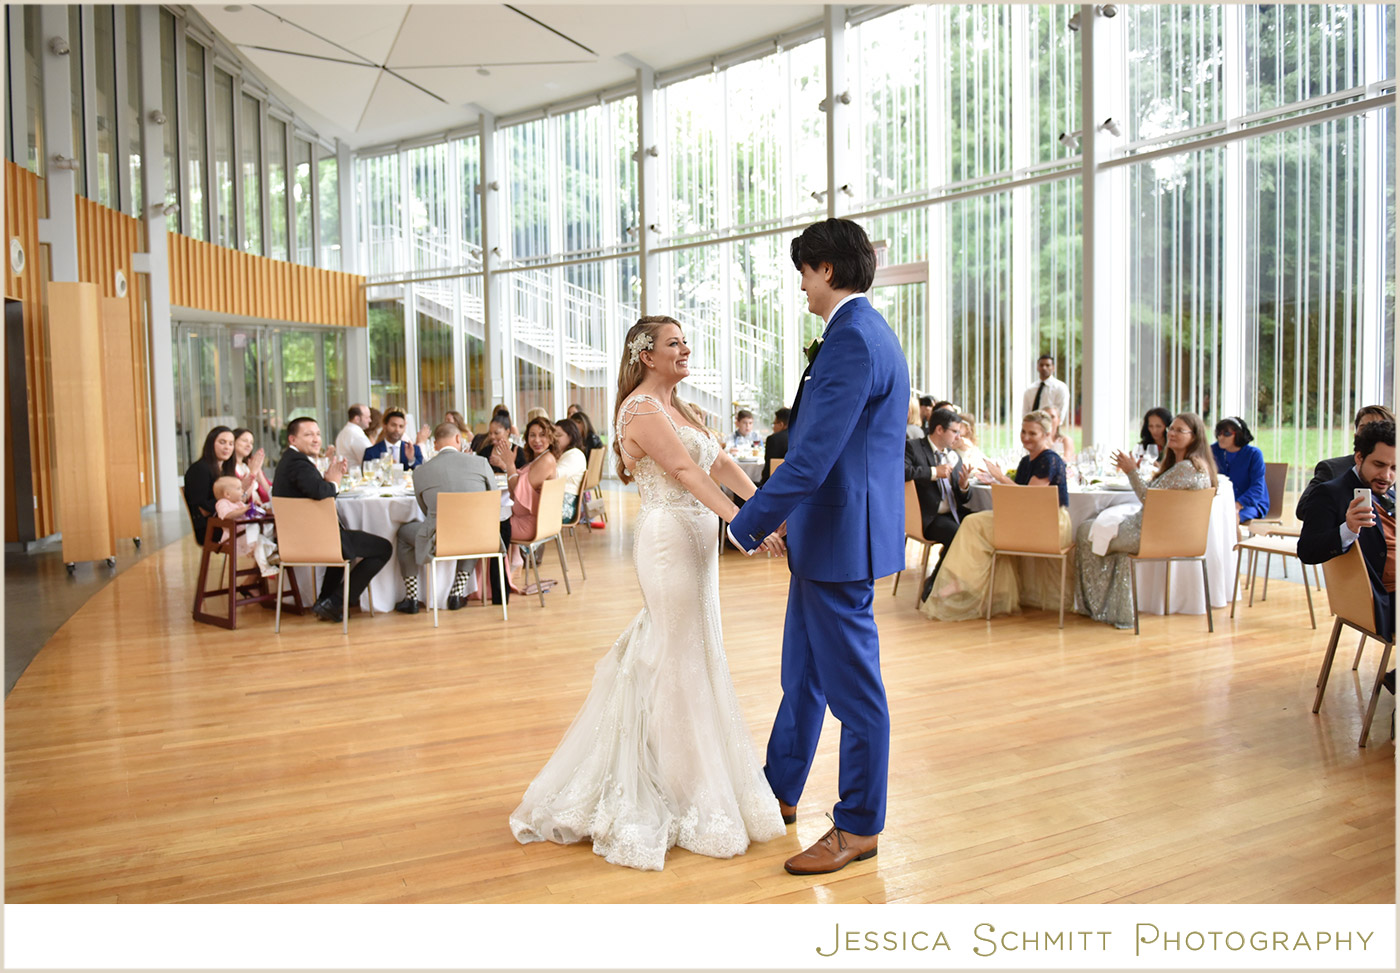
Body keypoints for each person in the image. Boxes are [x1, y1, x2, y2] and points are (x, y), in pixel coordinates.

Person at [510, 316, 786, 870]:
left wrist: (770, 507)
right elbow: (683, 470)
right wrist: (745, 525)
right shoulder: (638, 408)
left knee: (697, 651)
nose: (685, 349)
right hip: (667, 543)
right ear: (646, 356)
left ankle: (689, 773)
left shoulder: (682, 407)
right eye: (673, 343)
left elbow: (721, 462)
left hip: (698, 542)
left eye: (685, 340)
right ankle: (679, 787)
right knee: (675, 655)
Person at [728, 217, 908, 876]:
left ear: (826, 269)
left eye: (804, 272)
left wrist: (744, 524)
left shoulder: (854, 339)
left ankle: (859, 824)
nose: (801, 287)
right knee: (801, 677)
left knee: (856, 693)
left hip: (839, 538)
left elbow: (809, 459)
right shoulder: (862, 332)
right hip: (827, 534)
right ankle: (776, 790)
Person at [919, 410, 1071, 623]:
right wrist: (996, 480)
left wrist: (999, 478)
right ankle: (966, 581)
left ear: (1046, 435)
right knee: (973, 522)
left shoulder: (1050, 460)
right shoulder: (1027, 461)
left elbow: (1031, 498)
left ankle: (964, 581)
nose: (1025, 437)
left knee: (974, 523)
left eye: (1032, 434)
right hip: (1029, 518)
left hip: (1047, 523)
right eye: (1023, 431)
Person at [1074, 413, 1217, 629]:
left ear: (1195, 437)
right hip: (1179, 536)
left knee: (1086, 530)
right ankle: (1119, 612)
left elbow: (1148, 498)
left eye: (1180, 430)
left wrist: (1131, 470)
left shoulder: (1186, 468)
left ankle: (1095, 607)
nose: (1172, 433)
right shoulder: (1196, 466)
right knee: (1105, 530)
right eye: (1172, 429)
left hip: (1152, 535)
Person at [271, 417, 392, 624]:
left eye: (317, 434)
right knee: (384, 548)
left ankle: (326, 602)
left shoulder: (290, 461)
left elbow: (313, 489)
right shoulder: (298, 464)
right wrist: (333, 484)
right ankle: (336, 602)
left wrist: (327, 479)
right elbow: (321, 492)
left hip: (300, 537)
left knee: (344, 549)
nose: (316, 439)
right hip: (314, 540)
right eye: (308, 435)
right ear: (292, 438)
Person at [1299, 420, 1395, 645]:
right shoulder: (1330, 494)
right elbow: (1307, 550)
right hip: (1383, 599)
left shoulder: (1392, 493)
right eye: (1379, 464)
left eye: (1394, 468)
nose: (1387, 476)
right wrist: (1348, 529)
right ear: (1359, 457)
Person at [393, 422, 496, 615]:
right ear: (459, 439)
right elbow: (493, 498)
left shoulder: (421, 471)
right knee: (474, 526)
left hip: (440, 539)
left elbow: (425, 510)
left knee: (402, 533)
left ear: (435, 445)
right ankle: (457, 592)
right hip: (479, 538)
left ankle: (412, 597)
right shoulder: (480, 463)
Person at [907, 408, 972, 598]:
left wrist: (964, 485)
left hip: (953, 511)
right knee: (956, 533)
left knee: (981, 523)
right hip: (928, 516)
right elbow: (902, 472)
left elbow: (963, 497)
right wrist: (935, 472)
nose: (958, 436)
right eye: (955, 431)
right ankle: (934, 585)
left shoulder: (953, 455)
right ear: (939, 430)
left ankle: (967, 582)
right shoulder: (913, 447)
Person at [1295, 405, 1395, 519]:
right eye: (1365, 429)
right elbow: (1304, 510)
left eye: (1380, 429)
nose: (1386, 475)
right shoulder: (1333, 469)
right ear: (1356, 435)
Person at [503, 417, 561, 551]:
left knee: (488, 528)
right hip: (531, 519)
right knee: (494, 520)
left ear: (551, 437)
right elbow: (515, 493)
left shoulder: (546, 461)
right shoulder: (540, 458)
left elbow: (517, 492)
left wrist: (510, 465)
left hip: (531, 524)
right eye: (532, 435)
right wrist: (507, 466)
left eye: (542, 435)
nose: (537, 440)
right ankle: (513, 562)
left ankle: (500, 570)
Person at [212, 475, 278, 578]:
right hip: (235, 538)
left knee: (264, 536)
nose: (243, 490)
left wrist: (255, 507)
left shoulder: (239, 503)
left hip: (247, 535)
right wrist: (243, 510)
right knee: (260, 539)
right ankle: (265, 566)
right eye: (239, 488)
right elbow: (227, 516)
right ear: (227, 494)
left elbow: (248, 514)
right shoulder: (222, 503)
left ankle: (269, 558)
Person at [183, 426, 238, 546]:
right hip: (209, 528)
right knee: (257, 528)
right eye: (222, 442)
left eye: (231, 444)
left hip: (224, 521)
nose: (227, 447)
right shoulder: (199, 469)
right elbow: (203, 507)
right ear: (211, 443)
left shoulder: (225, 470)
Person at [1211, 416, 1269, 523]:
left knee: (1228, 518)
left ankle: (1235, 540)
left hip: (1250, 504)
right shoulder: (1213, 451)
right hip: (1221, 504)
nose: (1221, 437)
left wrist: (1237, 505)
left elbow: (1257, 488)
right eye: (1219, 433)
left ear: (1238, 434)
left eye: (1226, 433)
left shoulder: (1254, 454)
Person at [362, 410, 427, 470]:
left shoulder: (414, 450)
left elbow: (421, 473)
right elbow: (367, 474)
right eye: (393, 425)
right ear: (385, 426)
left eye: (401, 426)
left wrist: (411, 460)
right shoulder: (371, 452)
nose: (397, 430)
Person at [552, 416, 588, 521]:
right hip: (557, 502)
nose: (554, 439)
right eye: (553, 435)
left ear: (571, 437)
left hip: (565, 508)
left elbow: (554, 476)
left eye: (558, 435)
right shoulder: (563, 454)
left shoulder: (574, 455)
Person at [1021, 353, 1069, 420]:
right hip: (1032, 427)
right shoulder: (1030, 389)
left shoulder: (1060, 388)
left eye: (1047, 365)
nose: (1044, 367)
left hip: (1051, 427)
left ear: (1053, 368)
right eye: (1041, 365)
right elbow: (1025, 412)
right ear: (1037, 367)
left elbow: (1061, 412)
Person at [232, 428, 272, 505]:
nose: (249, 445)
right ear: (233, 441)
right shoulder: (230, 468)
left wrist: (259, 473)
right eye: (244, 441)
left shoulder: (249, 466)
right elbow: (240, 498)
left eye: (251, 443)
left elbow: (270, 495)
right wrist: (252, 474)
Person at [760, 407, 790, 486]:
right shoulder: (800, 438)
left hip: (774, 487)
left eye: (774, 423)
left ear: (781, 424)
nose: (773, 427)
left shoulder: (773, 439)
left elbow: (768, 471)